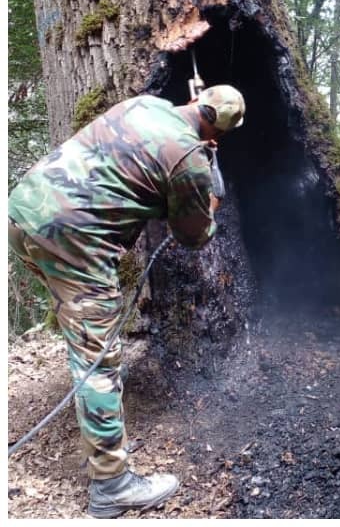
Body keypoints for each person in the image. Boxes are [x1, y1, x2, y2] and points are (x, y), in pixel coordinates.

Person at [8, 84, 246, 518]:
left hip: (25, 213)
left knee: (83, 329)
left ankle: (95, 411)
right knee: (98, 356)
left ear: (196, 100)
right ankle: (112, 485)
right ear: (220, 134)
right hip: (73, 235)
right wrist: (207, 202)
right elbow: (193, 236)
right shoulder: (188, 159)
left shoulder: (145, 105)